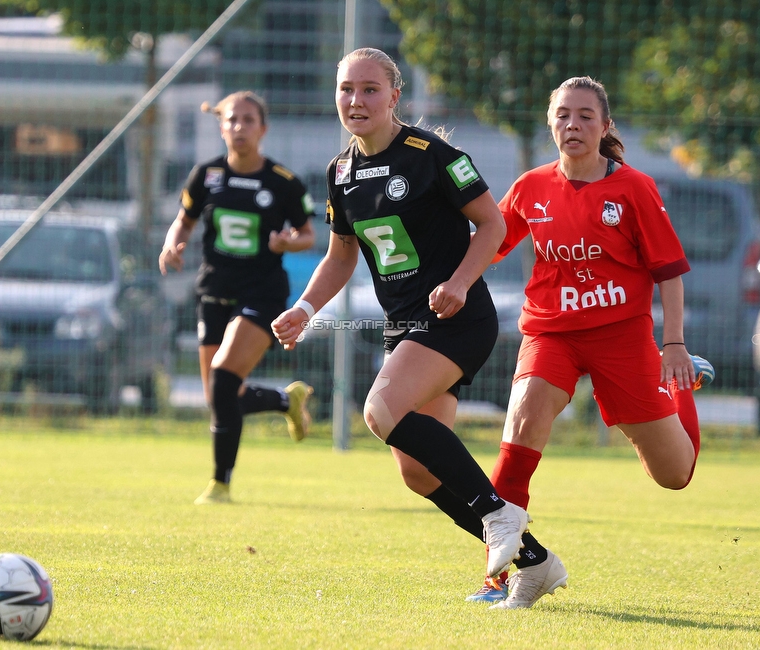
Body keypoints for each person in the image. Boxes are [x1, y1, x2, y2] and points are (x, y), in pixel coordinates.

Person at [271, 47, 527, 579]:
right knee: (416, 471)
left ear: (394, 96)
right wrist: (305, 308)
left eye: (369, 89)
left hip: (457, 317)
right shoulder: (340, 172)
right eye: (346, 89)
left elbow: (494, 225)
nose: (356, 100)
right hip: (404, 326)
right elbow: (341, 254)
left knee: (379, 411)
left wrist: (459, 282)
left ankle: (500, 515)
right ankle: (534, 562)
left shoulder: (430, 153)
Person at [466, 76, 715, 609]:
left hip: (622, 338)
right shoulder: (531, 187)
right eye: (562, 115)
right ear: (550, 122)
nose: (572, 125)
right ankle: (503, 579)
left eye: (584, 116)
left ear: (605, 127)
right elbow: (490, 244)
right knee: (522, 420)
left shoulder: (634, 189)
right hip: (550, 331)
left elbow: (669, 273)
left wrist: (672, 344)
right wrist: (446, 272)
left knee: (674, 474)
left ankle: (682, 382)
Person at [159, 91, 317, 505]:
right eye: (232, 120)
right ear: (221, 126)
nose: (239, 127)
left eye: (248, 120)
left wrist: (288, 242)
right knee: (218, 396)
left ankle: (220, 485)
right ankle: (287, 400)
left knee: (226, 379)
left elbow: (309, 235)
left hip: (262, 292)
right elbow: (183, 221)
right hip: (214, 289)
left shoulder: (281, 182)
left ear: (262, 129)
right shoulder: (206, 175)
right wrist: (172, 245)